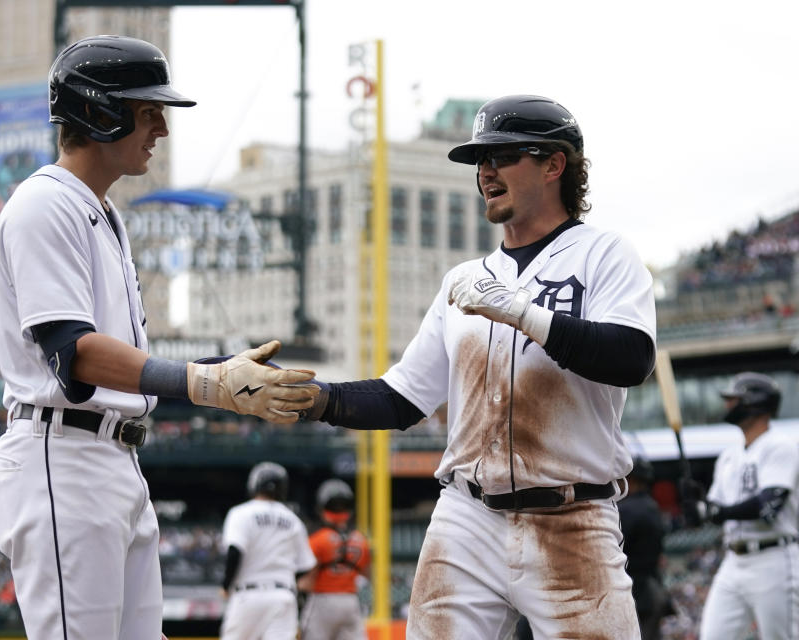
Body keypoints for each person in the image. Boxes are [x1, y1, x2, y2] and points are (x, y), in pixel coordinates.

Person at [0, 35, 318, 640]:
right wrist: (204, 381)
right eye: (147, 111)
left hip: (114, 460)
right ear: (98, 111)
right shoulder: (44, 204)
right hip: (64, 456)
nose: (161, 128)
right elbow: (75, 352)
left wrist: (219, 366)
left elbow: (120, 354)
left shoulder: (103, 213)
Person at [299, 94, 657, 639]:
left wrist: (523, 315)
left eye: (503, 155)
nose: (485, 170)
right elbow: (402, 398)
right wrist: (315, 398)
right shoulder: (463, 278)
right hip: (466, 517)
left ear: (554, 163)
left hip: (572, 519)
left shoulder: (604, 254)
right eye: (480, 161)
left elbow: (631, 357)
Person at [682, 372, 799, 640]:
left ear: (755, 403)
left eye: (734, 398)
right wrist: (696, 504)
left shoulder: (781, 446)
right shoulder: (729, 455)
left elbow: (768, 506)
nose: (728, 404)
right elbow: (715, 510)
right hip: (733, 560)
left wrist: (714, 512)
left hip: (774, 557)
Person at [219, 462, 316, 640]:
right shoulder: (293, 519)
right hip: (282, 597)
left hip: (248, 595)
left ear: (254, 485)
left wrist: (226, 585)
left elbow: (235, 552)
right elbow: (306, 568)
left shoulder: (241, 513)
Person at [299, 478, 371, 640]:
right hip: (350, 601)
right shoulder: (360, 540)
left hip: (322, 601)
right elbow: (367, 574)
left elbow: (307, 581)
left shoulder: (317, 540)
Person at [619, 456, 671, 640]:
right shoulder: (652, 506)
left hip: (634, 592)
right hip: (652, 588)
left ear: (630, 479)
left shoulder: (626, 509)